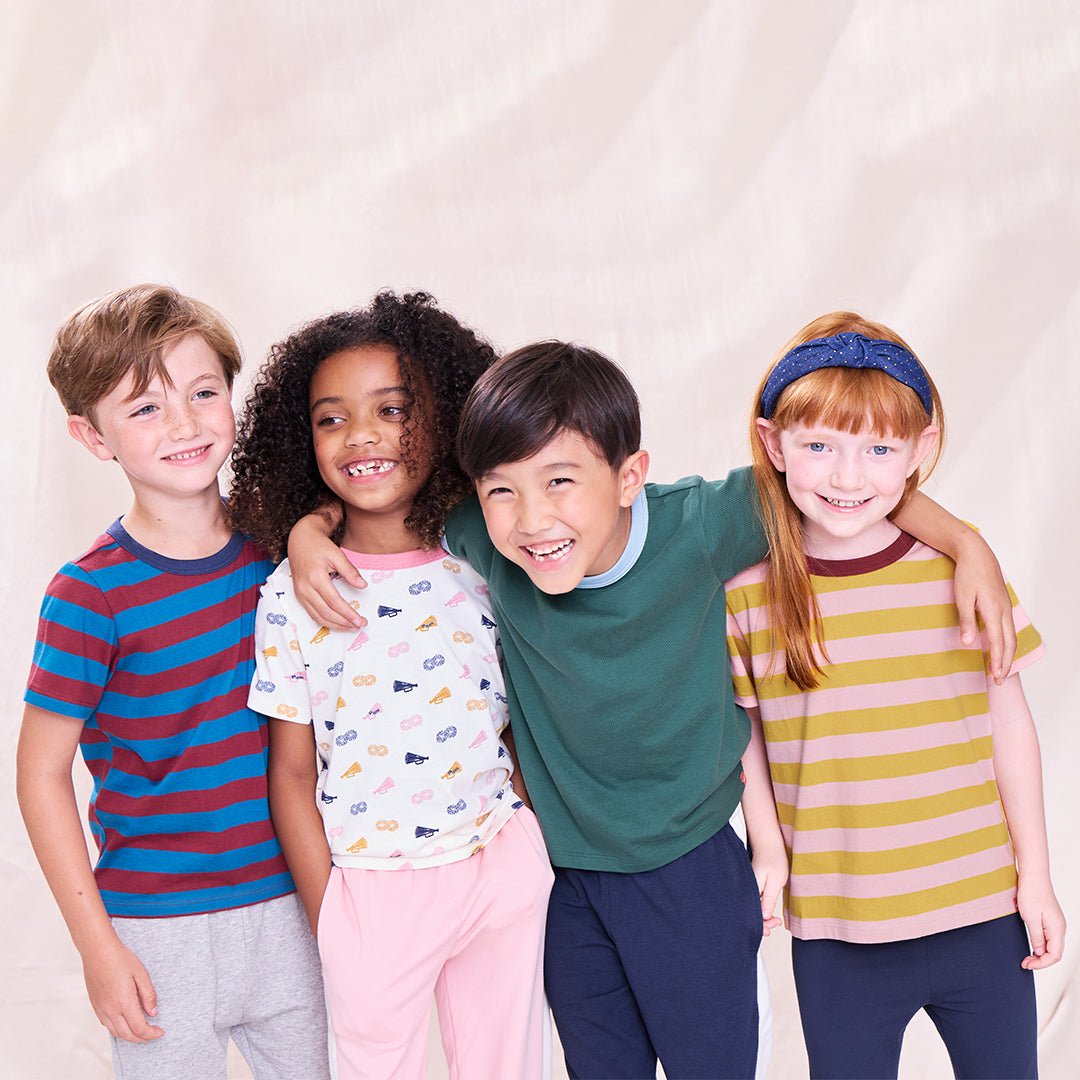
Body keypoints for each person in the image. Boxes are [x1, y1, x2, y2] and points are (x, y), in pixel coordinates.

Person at [289, 338, 1018, 1080]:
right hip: (566, 879)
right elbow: (385, 499)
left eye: (560, 481)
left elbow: (831, 482)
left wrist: (969, 544)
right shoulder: (483, 534)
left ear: (630, 476)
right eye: (502, 489)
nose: (533, 520)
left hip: (690, 868)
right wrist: (307, 530)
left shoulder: (701, 525)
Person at [724, 312, 1065, 1079]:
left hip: (983, 912)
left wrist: (1036, 875)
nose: (848, 478)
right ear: (774, 444)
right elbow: (743, 733)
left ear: (921, 449)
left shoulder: (961, 574)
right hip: (840, 929)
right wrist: (768, 845)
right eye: (819, 447)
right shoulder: (747, 592)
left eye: (879, 450)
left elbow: (1011, 725)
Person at [230, 291, 554, 1080]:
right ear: (301, 439)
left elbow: (518, 717)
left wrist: (527, 837)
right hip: (372, 890)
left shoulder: (488, 565)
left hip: (499, 865)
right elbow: (291, 773)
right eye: (331, 418)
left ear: (444, 419)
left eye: (393, 409)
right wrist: (332, 916)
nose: (362, 435)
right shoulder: (291, 594)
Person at [17, 284, 329, 1080]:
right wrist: (97, 947)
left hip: (294, 904)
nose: (185, 424)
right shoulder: (90, 595)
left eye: (203, 393)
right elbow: (40, 774)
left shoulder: (278, 548)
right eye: (146, 408)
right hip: (156, 930)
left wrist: (307, 528)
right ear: (92, 436)